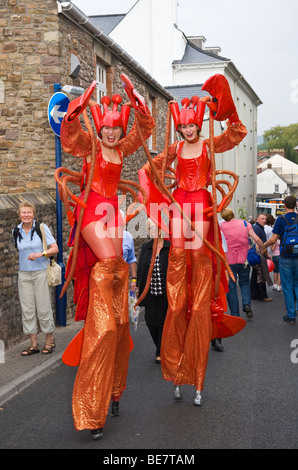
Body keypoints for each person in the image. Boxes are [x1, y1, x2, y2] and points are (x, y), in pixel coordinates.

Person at [139, 74, 247, 406]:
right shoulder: (173, 149)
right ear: (179, 126)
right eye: (183, 126)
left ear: (198, 124)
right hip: (179, 211)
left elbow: (238, 133)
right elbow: (147, 171)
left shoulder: (210, 142)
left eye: (191, 126)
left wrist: (226, 108)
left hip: (200, 208)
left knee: (199, 293)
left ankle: (196, 372)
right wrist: (158, 206)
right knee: (177, 294)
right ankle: (176, 366)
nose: (187, 130)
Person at [57, 76, 155, 440]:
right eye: (106, 129)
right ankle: (90, 408)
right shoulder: (91, 148)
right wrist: (74, 112)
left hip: (113, 212)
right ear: (98, 127)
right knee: (107, 302)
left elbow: (144, 132)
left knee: (119, 309)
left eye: (117, 130)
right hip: (92, 213)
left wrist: (137, 101)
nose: (112, 135)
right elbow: (69, 139)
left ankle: (115, 389)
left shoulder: (122, 149)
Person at [13, 201, 58, 356]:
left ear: (33, 214)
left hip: (40, 273)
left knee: (43, 307)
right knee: (27, 310)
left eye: (29, 212)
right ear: (19, 214)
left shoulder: (41, 228)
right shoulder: (16, 231)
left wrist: (40, 254)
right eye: (23, 212)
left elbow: (55, 248)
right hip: (23, 275)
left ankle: (50, 340)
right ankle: (33, 344)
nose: (26, 215)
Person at [220, 208, 266, 320]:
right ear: (233, 214)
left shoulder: (220, 226)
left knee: (231, 287)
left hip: (228, 261)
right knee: (245, 283)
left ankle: (235, 314)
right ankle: (246, 304)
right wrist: (264, 252)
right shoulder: (245, 223)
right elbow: (257, 239)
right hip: (244, 260)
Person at [137, 219, 170, 363]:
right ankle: (160, 346)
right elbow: (141, 268)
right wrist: (138, 285)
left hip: (166, 291)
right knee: (150, 321)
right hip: (149, 291)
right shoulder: (146, 247)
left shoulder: (170, 247)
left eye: (155, 227)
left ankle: (160, 351)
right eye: (150, 228)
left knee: (163, 322)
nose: (153, 231)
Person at [264, 195, 298, 324]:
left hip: (285, 256)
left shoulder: (281, 220)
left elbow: (273, 240)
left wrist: (263, 245)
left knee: (288, 286)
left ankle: (291, 315)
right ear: (296, 204)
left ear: (284, 205)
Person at [250, 213, 273, 302]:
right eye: (262, 219)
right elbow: (259, 243)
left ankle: (254, 294)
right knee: (261, 274)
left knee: (255, 274)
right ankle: (262, 296)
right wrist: (266, 253)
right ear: (257, 219)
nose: (264, 220)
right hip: (259, 254)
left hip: (258, 253)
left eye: (265, 219)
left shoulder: (259, 228)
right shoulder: (256, 228)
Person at [264, 214, 281, 291]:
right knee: (280, 271)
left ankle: (274, 284)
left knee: (275, 271)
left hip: (275, 255)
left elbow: (273, 248)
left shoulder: (275, 239)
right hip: (281, 255)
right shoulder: (282, 239)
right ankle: (279, 286)